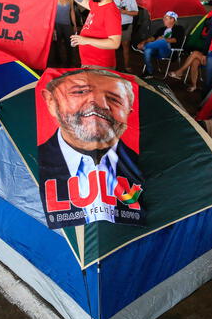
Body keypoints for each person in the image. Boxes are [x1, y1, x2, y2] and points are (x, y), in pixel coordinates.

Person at [39, 68, 142, 225]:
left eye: (114, 99)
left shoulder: (143, 164)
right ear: (51, 101)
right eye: (80, 92)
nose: (97, 103)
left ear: (129, 112)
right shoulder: (29, 161)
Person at [57, 0, 122, 69]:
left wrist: (85, 40)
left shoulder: (111, 12)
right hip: (89, 63)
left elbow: (115, 43)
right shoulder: (98, 5)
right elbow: (83, 1)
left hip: (100, 66)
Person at [135, 11, 185, 79]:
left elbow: (176, 40)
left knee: (162, 41)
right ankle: (149, 72)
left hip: (168, 51)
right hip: (156, 49)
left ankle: (144, 46)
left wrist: (163, 39)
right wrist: (143, 42)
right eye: (164, 18)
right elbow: (153, 37)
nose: (163, 19)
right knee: (148, 50)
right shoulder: (162, 29)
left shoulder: (179, 28)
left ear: (172, 19)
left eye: (166, 18)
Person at [112, 0, 139, 72]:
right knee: (112, 46)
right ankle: (111, 65)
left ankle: (127, 65)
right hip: (114, 25)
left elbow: (136, 13)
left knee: (126, 45)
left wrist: (125, 12)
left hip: (126, 25)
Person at [53, 0, 78, 67]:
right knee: (57, 44)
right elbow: (51, 13)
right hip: (57, 25)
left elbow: (72, 12)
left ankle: (69, 62)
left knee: (69, 44)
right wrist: (53, 28)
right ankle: (57, 62)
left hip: (67, 25)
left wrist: (74, 24)